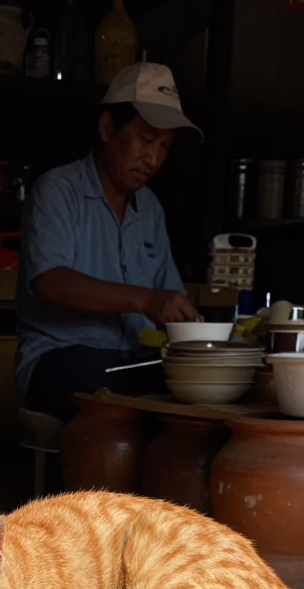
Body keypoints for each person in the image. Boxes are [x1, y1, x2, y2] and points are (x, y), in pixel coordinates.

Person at [15, 62, 202, 421]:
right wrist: (145, 299)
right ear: (107, 127)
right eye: (145, 140)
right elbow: (50, 283)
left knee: (191, 388)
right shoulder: (58, 190)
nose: (153, 159)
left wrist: (194, 329)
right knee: (95, 383)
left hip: (129, 362)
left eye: (164, 146)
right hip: (57, 357)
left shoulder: (149, 209)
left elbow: (168, 298)